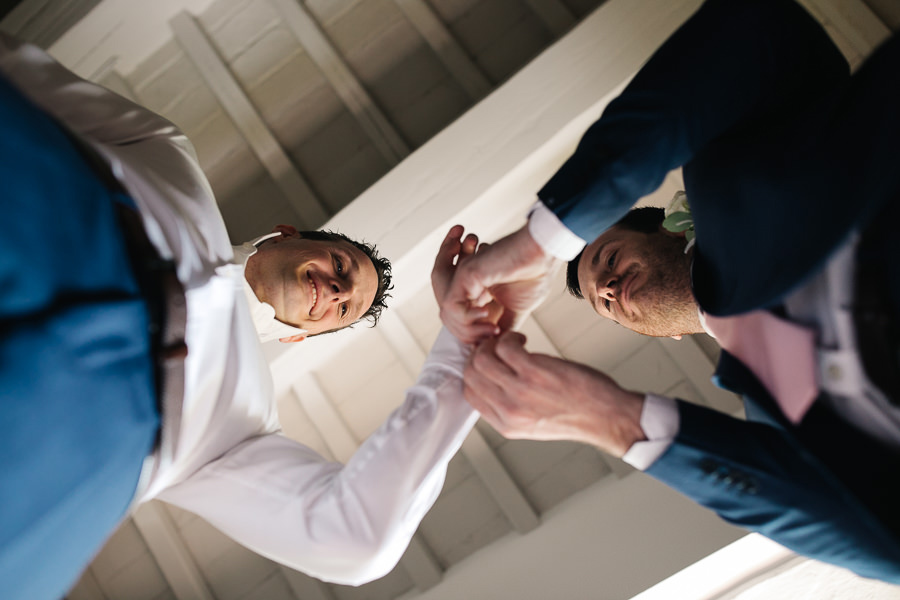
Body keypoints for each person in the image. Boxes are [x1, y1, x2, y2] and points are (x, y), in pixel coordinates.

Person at [0, 33, 482, 599]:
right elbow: (17, 68)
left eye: (342, 306)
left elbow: (355, 541)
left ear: (305, 337)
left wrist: (461, 342)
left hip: (47, 460)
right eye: (340, 265)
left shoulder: (245, 428)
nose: (332, 288)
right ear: (287, 234)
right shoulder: (166, 153)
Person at [440, 0, 900, 584]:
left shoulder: (735, 173)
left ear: (665, 228)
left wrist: (545, 238)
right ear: (664, 334)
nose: (608, 287)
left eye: (606, 260)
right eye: (607, 304)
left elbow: (759, 26)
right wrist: (610, 418)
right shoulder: (765, 421)